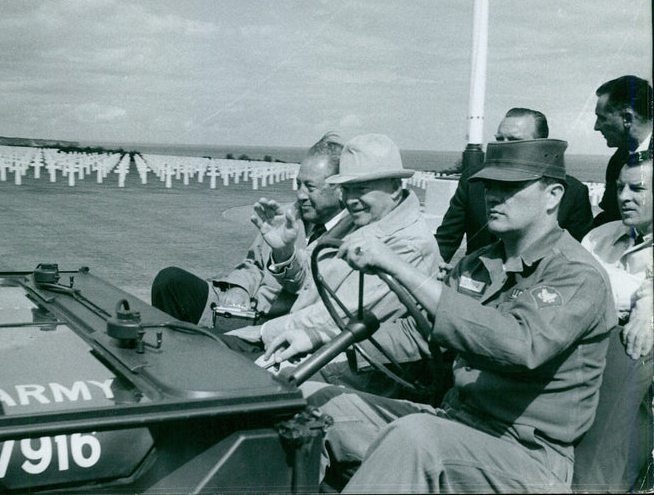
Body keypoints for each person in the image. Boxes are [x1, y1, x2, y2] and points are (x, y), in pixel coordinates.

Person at [274, 139, 615, 492]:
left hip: (527, 456)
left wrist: (396, 267)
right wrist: (318, 339)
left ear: (553, 195)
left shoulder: (575, 275)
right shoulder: (479, 263)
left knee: (417, 439)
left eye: (510, 187)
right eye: (490, 185)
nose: (494, 196)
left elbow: (519, 344)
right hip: (455, 422)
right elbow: (418, 332)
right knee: (309, 402)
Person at [231, 133, 441, 398]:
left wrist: (263, 331)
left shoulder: (410, 245)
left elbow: (342, 315)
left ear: (396, 188)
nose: (351, 199)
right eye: (348, 188)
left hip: (351, 370)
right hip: (306, 343)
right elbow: (312, 278)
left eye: (362, 189)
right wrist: (284, 251)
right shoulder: (362, 220)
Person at [151, 133, 349, 327]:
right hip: (238, 308)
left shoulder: (349, 238)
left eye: (310, 187)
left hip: (274, 324)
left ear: (340, 189)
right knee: (170, 281)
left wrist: (284, 251)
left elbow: (306, 287)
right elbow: (253, 264)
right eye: (298, 184)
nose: (300, 194)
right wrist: (240, 288)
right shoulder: (289, 216)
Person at [572, 152, 653, 492]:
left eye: (638, 188)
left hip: (627, 361)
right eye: (620, 187)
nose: (623, 197)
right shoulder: (600, 237)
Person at [435, 108, 593, 262]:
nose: (503, 147)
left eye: (514, 140)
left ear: (540, 144)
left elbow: (575, 253)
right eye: (499, 139)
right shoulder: (473, 180)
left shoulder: (573, 191)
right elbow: (446, 239)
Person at [593, 75, 653, 227]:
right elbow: (611, 216)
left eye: (602, 118)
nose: (596, 126)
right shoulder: (618, 161)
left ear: (627, 118)